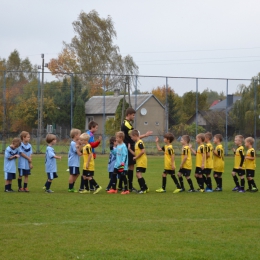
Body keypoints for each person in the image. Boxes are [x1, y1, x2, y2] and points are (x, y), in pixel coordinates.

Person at [121, 107, 152, 192]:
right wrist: (145, 135)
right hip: (129, 146)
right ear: (128, 115)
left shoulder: (127, 123)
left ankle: (126, 186)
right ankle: (129, 186)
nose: (134, 116)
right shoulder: (127, 124)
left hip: (129, 146)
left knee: (128, 166)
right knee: (130, 166)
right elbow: (134, 136)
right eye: (133, 115)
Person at [79, 121, 102, 191]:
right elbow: (92, 145)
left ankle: (88, 188)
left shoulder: (90, 134)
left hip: (88, 157)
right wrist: (98, 141)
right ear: (92, 127)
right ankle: (85, 187)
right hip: (87, 157)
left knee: (87, 174)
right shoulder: (89, 135)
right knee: (86, 174)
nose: (97, 129)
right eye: (96, 128)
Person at [128, 130, 149, 194]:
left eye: (132, 137)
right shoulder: (136, 143)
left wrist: (136, 158)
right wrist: (129, 149)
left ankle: (143, 189)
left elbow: (143, 151)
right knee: (138, 174)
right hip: (139, 161)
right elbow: (135, 154)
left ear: (135, 136)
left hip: (142, 161)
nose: (131, 138)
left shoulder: (140, 142)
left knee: (138, 174)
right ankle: (145, 188)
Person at [68, 128, 82, 193]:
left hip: (75, 162)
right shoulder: (73, 143)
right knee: (72, 174)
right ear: (76, 135)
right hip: (73, 162)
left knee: (77, 174)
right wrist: (79, 145)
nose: (80, 135)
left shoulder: (75, 143)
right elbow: (77, 151)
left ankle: (72, 186)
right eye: (79, 134)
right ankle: (70, 188)